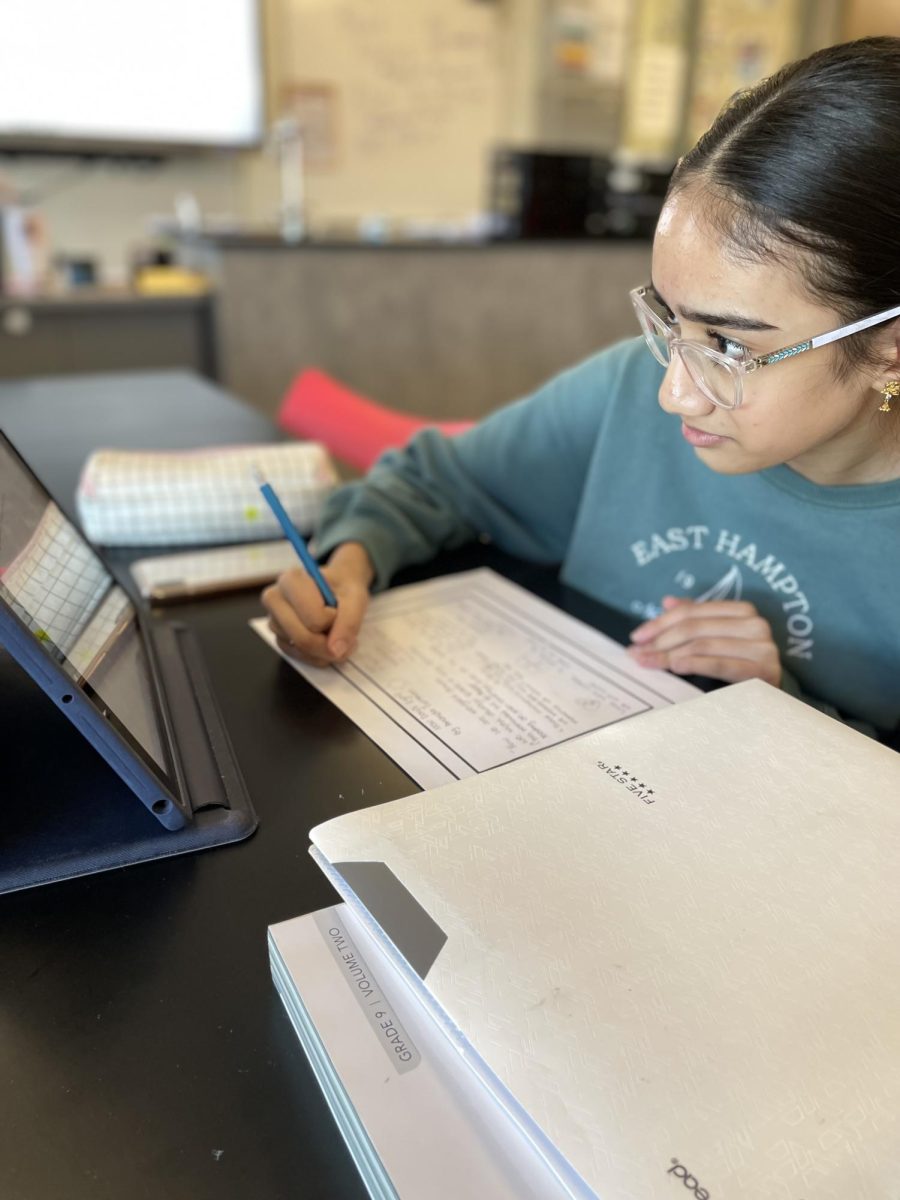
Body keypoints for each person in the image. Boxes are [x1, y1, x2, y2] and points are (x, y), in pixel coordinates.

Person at [263, 37, 900, 738]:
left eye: (728, 345)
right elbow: (433, 482)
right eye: (669, 316)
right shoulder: (627, 388)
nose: (674, 394)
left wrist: (788, 707)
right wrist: (347, 563)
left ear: (888, 350)